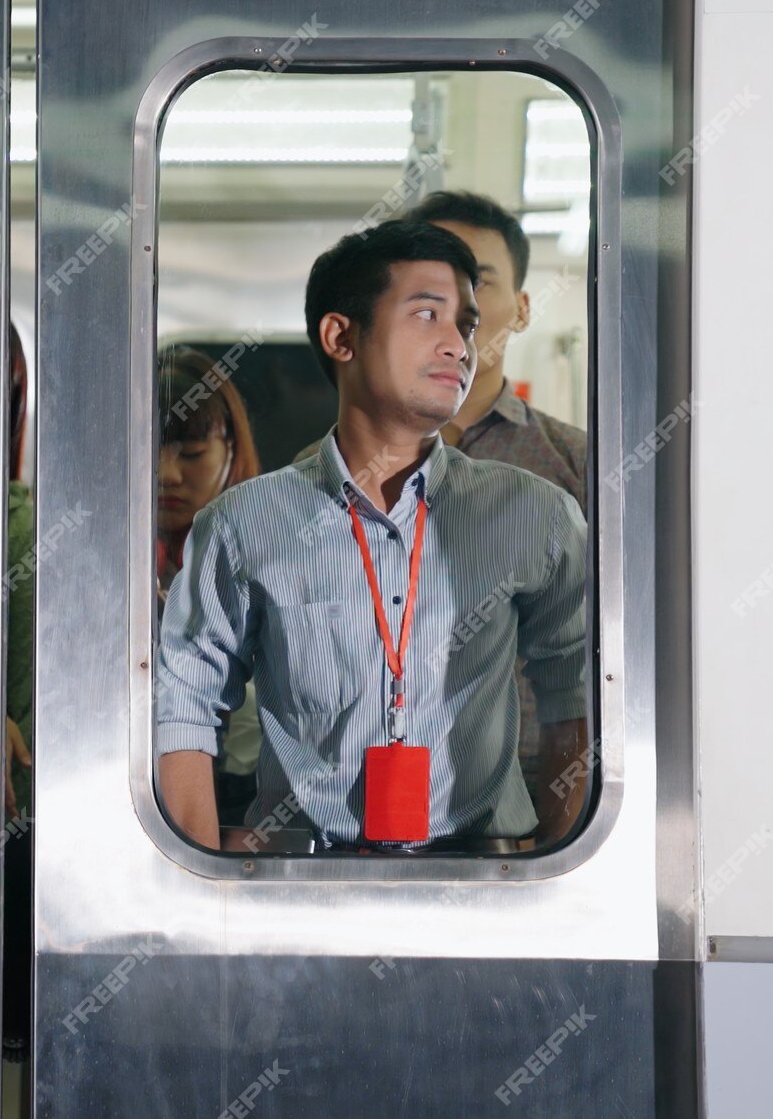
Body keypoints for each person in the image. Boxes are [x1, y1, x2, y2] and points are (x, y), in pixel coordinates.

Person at [154, 221, 588, 854]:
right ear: (341, 336)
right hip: (298, 883)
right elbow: (183, 708)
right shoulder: (245, 523)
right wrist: (195, 879)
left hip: (485, 887)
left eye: (465, 324)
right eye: (426, 315)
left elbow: (576, 696)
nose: (458, 346)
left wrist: (553, 864)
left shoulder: (533, 513)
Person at [403, 192, 589, 805]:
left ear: (523, 307)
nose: (457, 308)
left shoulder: (578, 467)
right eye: (431, 285)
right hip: (358, 789)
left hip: (537, 789)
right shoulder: (323, 474)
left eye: (478, 281)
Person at [155, 346, 263, 828]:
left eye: (194, 455)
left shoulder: (275, 547)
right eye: (148, 454)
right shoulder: (99, 563)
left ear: (232, 449)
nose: (167, 475)